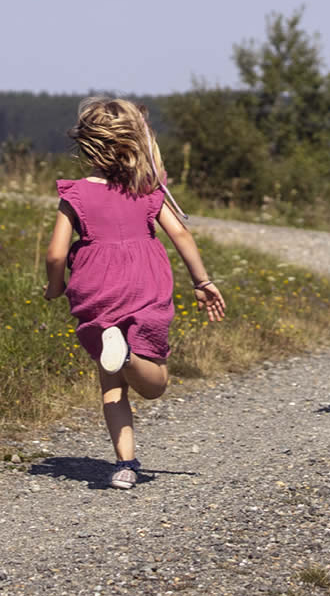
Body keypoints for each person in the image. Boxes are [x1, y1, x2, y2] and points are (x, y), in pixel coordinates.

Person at [44, 97, 228, 490]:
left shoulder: (75, 194)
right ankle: (127, 354)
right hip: (143, 285)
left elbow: (56, 253)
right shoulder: (146, 191)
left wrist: (55, 287)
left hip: (96, 288)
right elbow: (180, 233)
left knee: (112, 386)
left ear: (86, 142)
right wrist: (202, 281)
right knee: (155, 384)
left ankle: (124, 463)